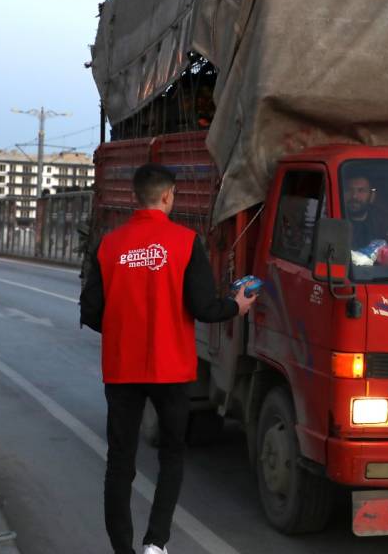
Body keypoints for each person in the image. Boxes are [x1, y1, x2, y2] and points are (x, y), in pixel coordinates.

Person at [80, 163, 256, 554]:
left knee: (119, 463)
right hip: (171, 371)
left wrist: (125, 330)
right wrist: (237, 305)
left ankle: (122, 550)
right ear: (168, 196)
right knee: (173, 454)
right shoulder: (185, 241)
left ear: (133, 197)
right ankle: (156, 543)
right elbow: (205, 307)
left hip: (122, 370)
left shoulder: (108, 245)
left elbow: (91, 311)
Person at [344, 174, 386, 249]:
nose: (354, 196)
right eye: (349, 190)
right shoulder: (334, 219)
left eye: (361, 191)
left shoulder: (382, 224)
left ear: (372, 195)